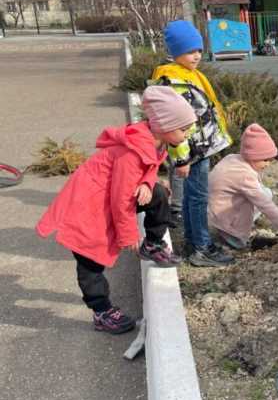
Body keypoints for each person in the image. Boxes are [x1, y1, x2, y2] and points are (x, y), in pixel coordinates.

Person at [36, 86, 197, 334]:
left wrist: (146, 182)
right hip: (88, 205)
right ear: (164, 126)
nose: (187, 134)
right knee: (90, 257)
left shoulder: (156, 141)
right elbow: (121, 198)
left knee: (158, 193)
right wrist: (129, 235)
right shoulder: (131, 152)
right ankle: (101, 311)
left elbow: (150, 165)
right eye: (183, 128)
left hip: (107, 196)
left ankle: (153, 244)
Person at [151, 19, 233, 268]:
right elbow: (172, 125)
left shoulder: (189, 75)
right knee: (198, 199)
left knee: (191, 198)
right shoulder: (173, 82)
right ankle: (200, 247)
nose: (196, 55)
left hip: (200, 148)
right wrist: (182, 158)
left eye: (198, 50)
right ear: (176, 52)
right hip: (192, 151)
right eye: (189, 51)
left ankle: (192, 241)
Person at [208, 124, 278, 250]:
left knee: (266, 192)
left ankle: (234, 228)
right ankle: (227, 235)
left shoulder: (232, 158)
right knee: (241, 244)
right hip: (222, 220)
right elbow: (265, 205)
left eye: (270, 160)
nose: (268, 164)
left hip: (213, 211)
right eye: (265, 160)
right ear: (252, 156)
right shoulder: (245, 175)